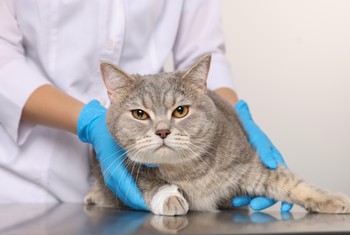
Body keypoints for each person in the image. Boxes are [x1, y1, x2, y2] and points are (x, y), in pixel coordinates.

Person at [0, 0, 292, 211]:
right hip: (29, 186)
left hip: (154, 165)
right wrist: (88, 121)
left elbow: (202, 54)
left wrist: (237, 121)